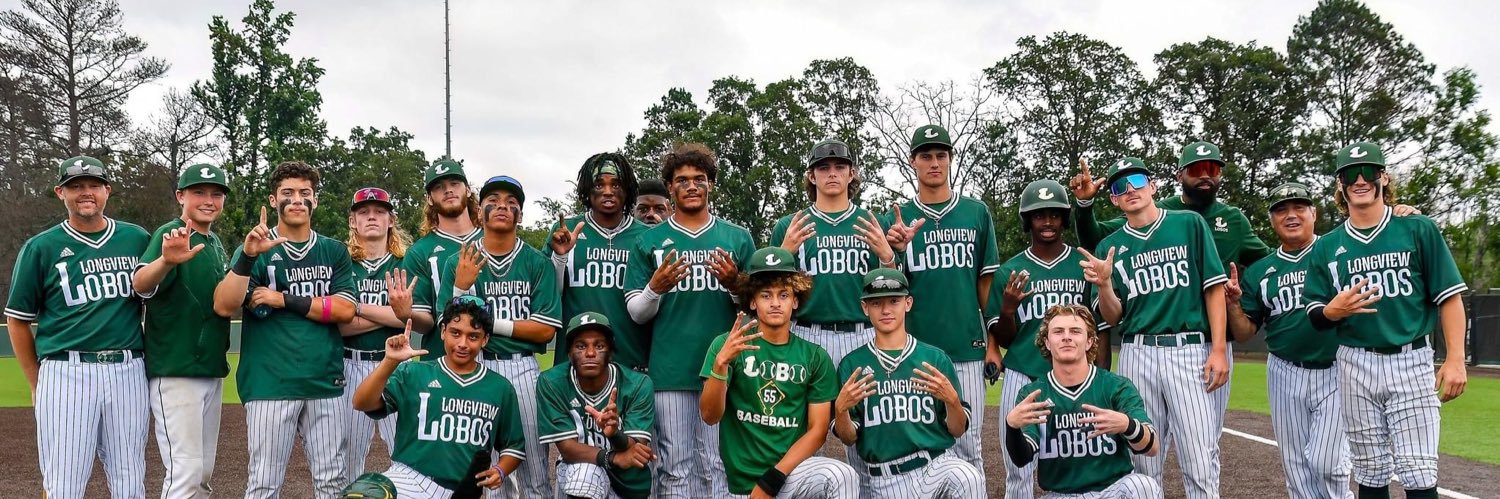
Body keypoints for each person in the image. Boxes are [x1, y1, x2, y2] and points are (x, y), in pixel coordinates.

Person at [1303, 143, 1469, 499]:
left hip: (1411, 358)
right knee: (1370, 468)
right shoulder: (1327, 246)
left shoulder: (1417, 229)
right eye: (1350, 174)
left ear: (1384, 177)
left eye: (1369, 171)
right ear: (1340, 184)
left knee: (1418, 468)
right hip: (1354, 360)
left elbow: (1449, 297)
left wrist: (1455, 358)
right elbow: (1315, 314)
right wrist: (1334, 311)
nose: (1360, 180)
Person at [1070, 143, 1269, 436]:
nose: (1204, 175)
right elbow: (1098, 238)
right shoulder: (1155, 211)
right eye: (1196, 169)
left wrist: (1244, 302)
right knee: (1144, 444)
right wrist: (1085, 206)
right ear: (1179, 176)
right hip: (1141, 345)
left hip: (1203, 342)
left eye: (1211, 168)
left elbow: (1268, 262)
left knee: (1203, 444)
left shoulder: (1230, 219)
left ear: (1151, 185)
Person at [6, 156, 151, 499]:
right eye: (75, 186)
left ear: (107, 191)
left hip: (128, 368)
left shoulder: (136, 238)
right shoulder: (41, 247)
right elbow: (17, 319)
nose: (86, 192)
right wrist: (36, 382)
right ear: (60, 193)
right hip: (66, 371)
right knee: (64, 484)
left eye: (93, 185)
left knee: (131, 480)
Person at [1083, 157, 1228, 499]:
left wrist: (1219, 348)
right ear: (1114, 200)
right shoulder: (1109, 247)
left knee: (1199, 459)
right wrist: (1104, 285)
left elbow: (1214, 287)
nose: (1130, 190)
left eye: (1136, 180)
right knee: (1142, 461)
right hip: (1136, 351)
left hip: (1188, 349)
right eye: (1120, 186)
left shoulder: (1189, 224)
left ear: (1153, 186)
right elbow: (1113, 317)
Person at [409, 174, 561, 499]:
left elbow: (545, 329)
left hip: (522, 369)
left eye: (511, 203)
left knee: (535, 470)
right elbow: (447, 326)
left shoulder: (537, 263)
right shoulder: (458, 261)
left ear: (521, 214)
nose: (502, 207)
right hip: (473, 370)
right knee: (486, 475)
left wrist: (487, 322)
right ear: (480, 212)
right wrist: (461, 287)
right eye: (493, 201)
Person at [212, 160, 357, 498]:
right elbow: (224, 305)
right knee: (264, 482)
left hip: (324, 380)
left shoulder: (333, 250)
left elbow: (346, 309)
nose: (296, 199)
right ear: (273, 200)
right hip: (269, 382)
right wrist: (247, 258)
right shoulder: (254, 249)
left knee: (332, 481)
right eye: (287, 193)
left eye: (305, 193)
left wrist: (282, 299)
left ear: (315, 201)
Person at [624, 142, 755, 497]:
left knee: (719, 463)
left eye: (700, 178)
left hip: (727, 366)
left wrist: (733, 286)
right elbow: (636, 313)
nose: (691, 186)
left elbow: (756, 306)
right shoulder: (649, 240)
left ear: (711, 183)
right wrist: (655, 287)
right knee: (675, 467)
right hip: (670, 368)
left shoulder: (736, 237)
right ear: (670, 187)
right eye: (682, 180)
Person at [884, 124, 999, 476]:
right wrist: (896, 250)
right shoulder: (896, 218)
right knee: (918, 448)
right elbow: (889, 291)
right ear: (912, 162)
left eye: (941, 155)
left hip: (966, 347)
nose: (934, 162)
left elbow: (986, 284)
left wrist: (993, 344)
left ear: (949, 159)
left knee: (969, 449)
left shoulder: (975, 212)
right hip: (915, 352)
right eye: (926, 156)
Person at [1225, 182, 1352, 499]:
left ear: (1313, 213)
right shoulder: (1260, 271)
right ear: (1271, 219)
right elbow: (1244, 333)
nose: (1291, 215)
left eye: (1299, 207)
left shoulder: (1339, 250)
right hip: (1284, 370)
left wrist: (1403, 214)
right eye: (1281, 209)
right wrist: (1232, 304)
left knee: (1327, 461)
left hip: (1337, 368)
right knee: (1296, 469)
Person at [700, 246, 858, 499]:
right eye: (766, 295)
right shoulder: (727, 344)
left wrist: (772, 480)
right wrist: (720, 365)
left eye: (783, 295)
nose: (775, 303)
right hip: (741, 486)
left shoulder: (814, 356)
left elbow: (817, 430)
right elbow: (709, 416)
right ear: (752, 300)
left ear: (795, 300)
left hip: (789, 476)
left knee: (842, 475)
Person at [986, 179, 1103, 499]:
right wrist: (1008, 309)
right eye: (1039, 215)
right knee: (1018, 471)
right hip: (1024, 373)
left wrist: (1101, 374)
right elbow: (1006, 337)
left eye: (1054, 214)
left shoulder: (1083, 265)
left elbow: (1097, 326)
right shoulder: (1011, 271)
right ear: (1028, 220)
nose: (1048, 221)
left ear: (1065, 217)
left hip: (1074, 379)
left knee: (1079, 464)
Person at [832, 268, 984, 498]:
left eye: (894, 301)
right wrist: (841, 410)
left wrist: (953, 401)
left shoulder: (934, 358)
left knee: (968, 477)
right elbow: (848, 437)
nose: (885, 310)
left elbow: (957, 429)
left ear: (908, 303)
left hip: (935, 467)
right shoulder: (852, 364)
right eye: (876, 303)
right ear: (865, 308)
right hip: (885, 480)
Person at [352, 297, 524, 498]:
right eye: (455, 333)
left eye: (473, 336)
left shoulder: (500, 388)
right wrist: (389, 361)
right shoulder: (414, 373)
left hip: (461, 491)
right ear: (443, 331)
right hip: (409, 478)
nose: (462, 343)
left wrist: (501, 471)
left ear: (485, 339)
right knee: (365, 494)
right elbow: (361, 402)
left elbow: (514, 446)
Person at [132, 163, 233, 498]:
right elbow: (141, 285)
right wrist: (167, 261)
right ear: (180, 196)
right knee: (185, 471)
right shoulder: (170, 233)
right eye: (199, 192)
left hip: (209, 368)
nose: (209, 200)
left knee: (202, 473)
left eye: (216, 193)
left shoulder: (214, 241)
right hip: (176, 369)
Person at [1005, 304, 1162, 499]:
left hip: (1111, 492)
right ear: (1046, 342)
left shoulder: (1114, 387)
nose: (1066, 337)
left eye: (1075, 331)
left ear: (1089, 342)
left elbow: (1152, 447)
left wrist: (1126, 425)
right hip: (1060, 495)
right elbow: (1022, 458)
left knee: (1143, 485)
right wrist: (1011, 427)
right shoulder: (1034, 394)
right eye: (1058, 331)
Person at [537, 312, 657, 499]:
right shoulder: (552, 382)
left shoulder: (638, 384)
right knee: (585, 474)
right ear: (569, 352)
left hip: (628, 483)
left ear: (610, 351)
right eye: (580, 346)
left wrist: (615, 433)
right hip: (577, 473)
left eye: (599, 346)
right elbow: (568, 448)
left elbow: (635, 450)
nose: (590, 353)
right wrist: (612, 457)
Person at [339, 187, 415, 480]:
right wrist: (391, 313)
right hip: (350, 363)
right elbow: (340, 324)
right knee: (347, 459)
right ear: (352, 221)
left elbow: (409, 318)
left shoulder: (406, 262)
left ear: (391, 220)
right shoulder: (340, 263)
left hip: (397, 366)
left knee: (406, 455)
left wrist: (357, 307)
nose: (371, 217)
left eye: (380, 212)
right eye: (363, 212)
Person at [550, 153, 651, 370]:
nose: (607, 191)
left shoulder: (647, 236)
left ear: (628, 190)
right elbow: (551, 294)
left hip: (631, 362)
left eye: (616, 184)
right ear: (587, 189)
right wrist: (559, 256)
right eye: (598, 185)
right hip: (575, 363)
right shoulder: (566, 229)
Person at [401, 158, 483, 336]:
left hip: (492, 355)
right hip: (440, 356)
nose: (448, 190)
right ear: (429, 199)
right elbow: (426, 323)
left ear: (468, 190)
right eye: (439, 187)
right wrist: (405, 313)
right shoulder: (419, 252)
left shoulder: (491, 240)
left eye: (454, 183)